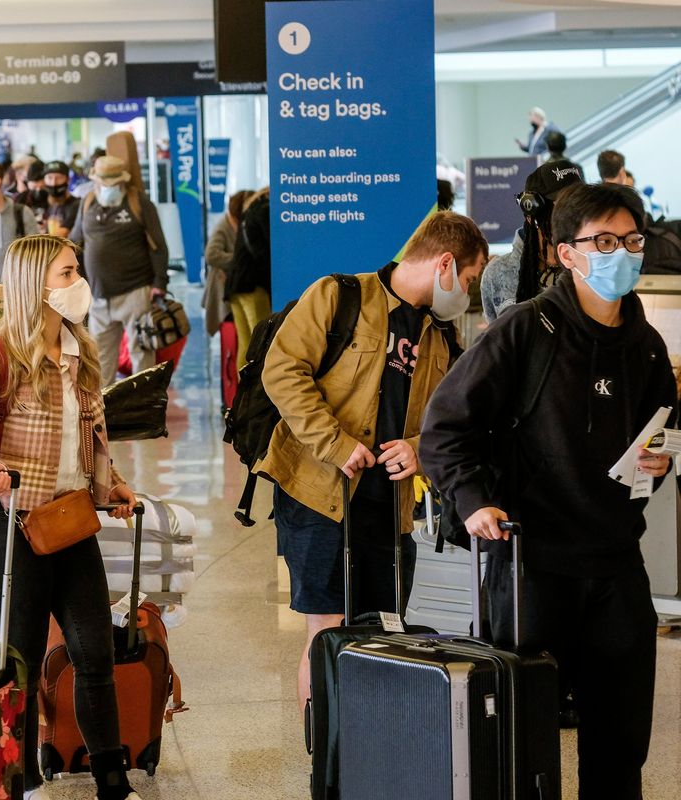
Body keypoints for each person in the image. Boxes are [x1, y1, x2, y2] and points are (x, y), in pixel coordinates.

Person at [420, 183, 673, 800]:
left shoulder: (644, 344)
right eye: (605, 242)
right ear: (565, 252)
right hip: (532, 565)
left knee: (619, 743)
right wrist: (474, 500)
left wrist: (656, 462)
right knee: (522, 741)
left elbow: (661, 431)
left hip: (615, 565)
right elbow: (444, 427)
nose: (624, 254)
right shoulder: (525, 331)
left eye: (632, 241)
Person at [256, 211, 488, 708]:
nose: (465, 294)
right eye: (468, 280)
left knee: (382, 632)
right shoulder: (339, 296)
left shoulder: (440, 336)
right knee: (329, 629)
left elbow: (449, 421)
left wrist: (420, 448)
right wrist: (337, 444)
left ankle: (368, 753)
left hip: (389, 507)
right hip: (318, 494)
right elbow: (281, 372)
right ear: (444, 263)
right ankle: (327, 758)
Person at [0, 234, 142, 800]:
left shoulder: (82, 354)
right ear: (35, 284)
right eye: (66, 273)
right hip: (12, 529)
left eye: (77, 270)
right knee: (21, 661)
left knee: (94, 650)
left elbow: (95, 438)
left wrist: (114, 488)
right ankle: (23, 778)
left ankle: (112, 777)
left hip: (72, 521)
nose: (78, 282)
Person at [69, 155, 169, 386]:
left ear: (123, 182)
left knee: (141, 355)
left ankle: (145, 409)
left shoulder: (139, 202)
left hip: (135, 291)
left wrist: (159, 283)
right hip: (98, 296)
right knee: (100, 361)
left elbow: (159, 246)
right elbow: (75, 242)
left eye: (114, 183)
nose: (109, 188)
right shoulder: (87, 202)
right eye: (104, 183)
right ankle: (106, 413)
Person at [481, 160, 584, 322]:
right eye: (563, 206)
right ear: (532, 212)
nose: (576, 215)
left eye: (580, 206)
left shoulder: (591, 266)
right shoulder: (499, 273)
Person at [224, 189, 272, 370]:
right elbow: (264, 253)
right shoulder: (264, 211)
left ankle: (243, 396)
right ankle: (257, 396)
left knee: (246, 347)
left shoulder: (249, 213)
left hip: (236, 286)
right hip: (252, 286)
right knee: (261, 345)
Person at [203, 190, 253, 338]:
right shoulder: (224, 226)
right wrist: (240, 260)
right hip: (225, 286)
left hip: (233, 285)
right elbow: (211, 255)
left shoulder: (235, 223)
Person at [42, 160, 81, 239]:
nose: (53, 183)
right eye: (49, 178)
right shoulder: (49, 203)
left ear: (68, 180)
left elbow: (61, 234)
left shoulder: (76, 205)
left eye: (59, 178)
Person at [14, 159, 50, 230]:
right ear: (28, 183)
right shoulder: (21, 199)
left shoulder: (55, 199)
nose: (38, 190)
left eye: (43, 187)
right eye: (34, 187)